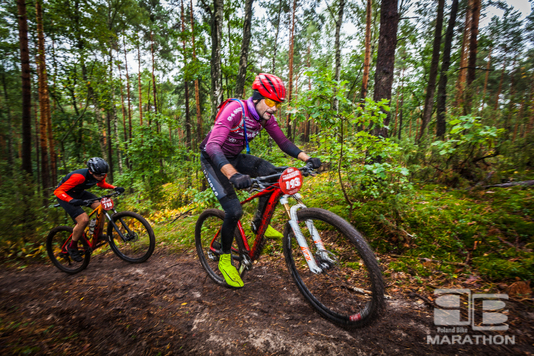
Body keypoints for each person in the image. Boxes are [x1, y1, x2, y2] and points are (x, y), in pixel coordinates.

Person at [199, 73, 321, 288]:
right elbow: (213, 146)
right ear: (257, 98)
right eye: (271, 102)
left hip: (235, 156)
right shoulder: (235, 110)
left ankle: (258, 223)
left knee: (272, 173)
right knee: (234, 211)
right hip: (213, 159)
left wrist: (307, 158)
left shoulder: (264, 116)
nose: (274, 108)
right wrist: (233, 174)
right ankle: (225, 258)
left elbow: (283, 142)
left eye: (278, 104)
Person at [54, 157, 125, 262]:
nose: (101, 177)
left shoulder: (101, 173)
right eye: (98, 175)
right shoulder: (78, 177)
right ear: (91, 172)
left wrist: (114, 188)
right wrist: (70, 200)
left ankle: (97, 234)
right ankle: (72, 247)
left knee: (100, 207)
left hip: (79, 193)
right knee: (84, 220)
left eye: (103, 175)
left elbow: (100, 183)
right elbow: (58, 191)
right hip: (65, 195)